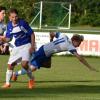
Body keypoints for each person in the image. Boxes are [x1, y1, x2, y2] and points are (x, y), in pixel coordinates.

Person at [11, 32, 98, 82]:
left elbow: (52, 33)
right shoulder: (69, 46)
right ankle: (15, 73)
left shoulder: (64, 36)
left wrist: (51, 41)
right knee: (33, 68)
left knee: (47, 65)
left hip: (46, 51)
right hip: (43, 52)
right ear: (75, 41)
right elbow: (80, 58)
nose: (79, 45)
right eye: (79, 42)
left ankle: (31, 60)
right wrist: (89, 67)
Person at [0, 8, 35, 89]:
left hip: (27, 45)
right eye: (12, 17)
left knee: (24, 64)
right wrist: (3, 39)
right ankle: (7, 84)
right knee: (10, 65)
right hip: (17, 46)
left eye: (16, 17)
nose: (14, 18)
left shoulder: (22, 23)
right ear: (9, 17)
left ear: (17, 16)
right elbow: (9, 38)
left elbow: (32, 34)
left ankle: (31, 79)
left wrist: (32, 46)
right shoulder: (9, 25)